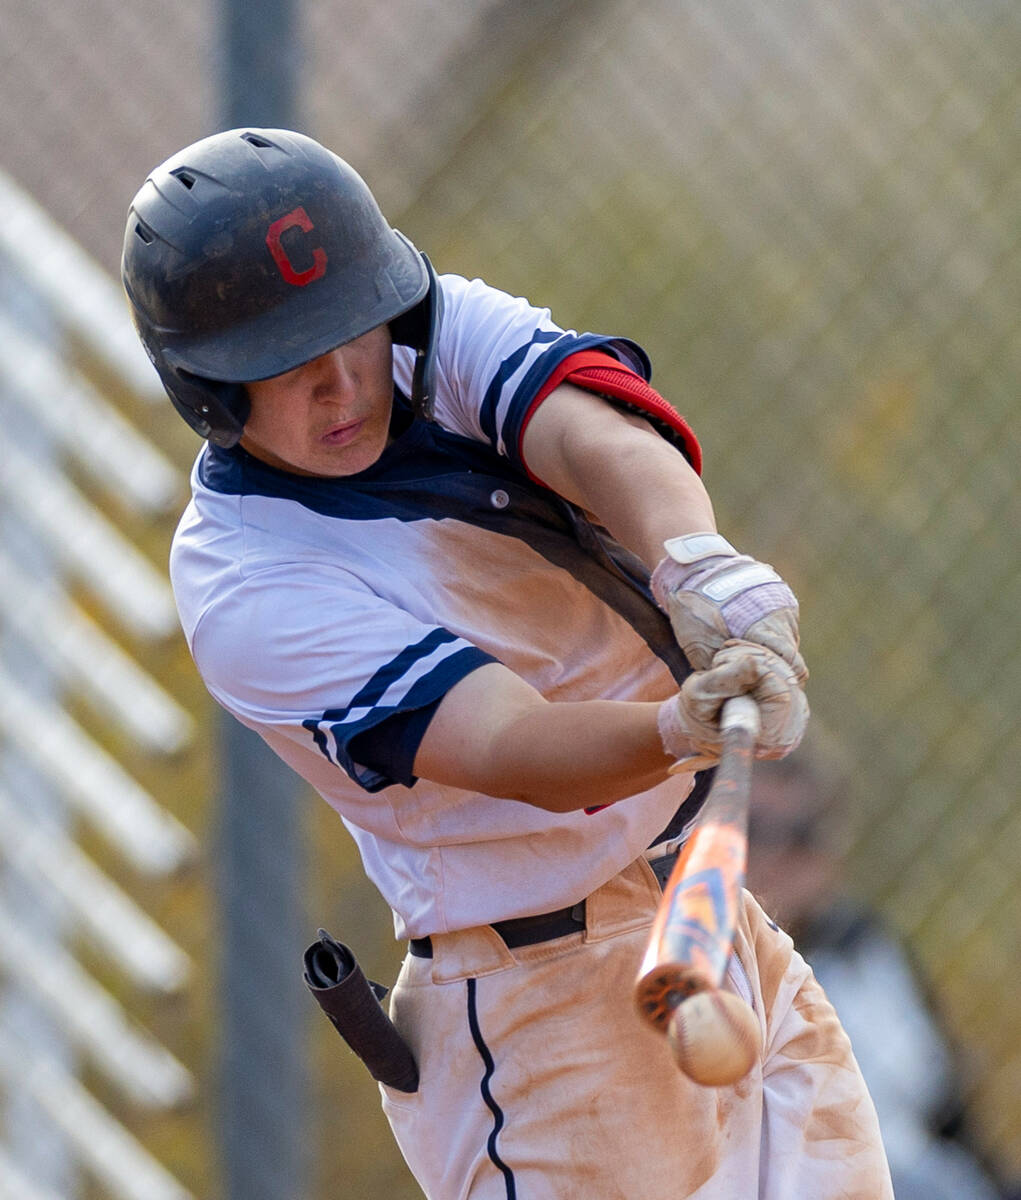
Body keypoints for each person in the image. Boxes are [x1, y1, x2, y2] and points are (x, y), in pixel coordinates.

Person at [122, 127, 892, 1199]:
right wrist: (677, 727)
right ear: (206, 390)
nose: (346, 386)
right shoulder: (246, 583)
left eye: (353, 332)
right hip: (545, 1011)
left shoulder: (431, 341)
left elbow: (598, 444)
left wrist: (696, 567)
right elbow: (511, 742)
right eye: (288, 370)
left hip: (705, 914)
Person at [744, 746, 1010, 1200]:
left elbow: (950, 1114)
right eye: (760, 831)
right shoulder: (712, 967)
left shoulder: (871, 950)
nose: (787, 856)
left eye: (805, 833)